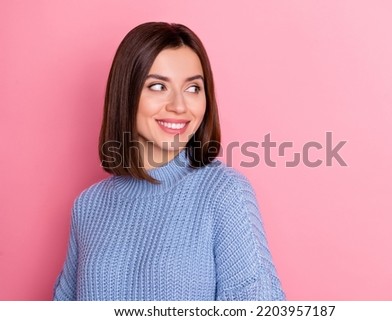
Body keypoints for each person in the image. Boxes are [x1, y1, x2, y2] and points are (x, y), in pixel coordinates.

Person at [53, 22, 285, 301]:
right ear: (126, 95)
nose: (179, 106)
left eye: (193, 88)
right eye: (158, 86)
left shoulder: (224, 193)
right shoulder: (88, 206)